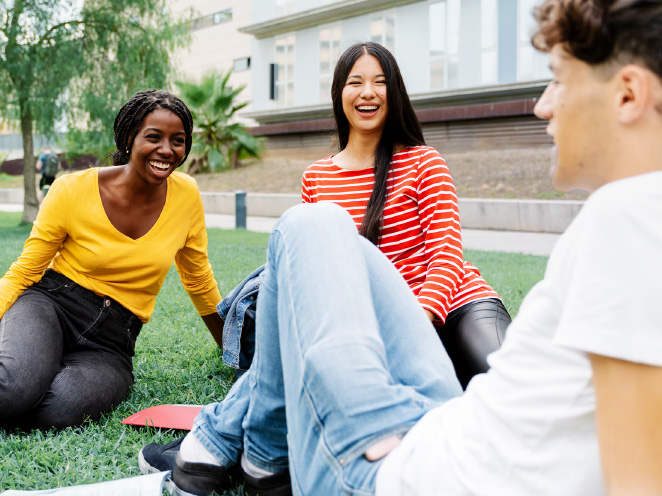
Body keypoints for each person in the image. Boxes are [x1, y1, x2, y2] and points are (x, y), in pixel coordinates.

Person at [140, 0, 662, 494]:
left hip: (399, 466)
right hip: (444, 419)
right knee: (320, 227)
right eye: (355, 82)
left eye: (557, 79)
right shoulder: (633, 216)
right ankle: (241, 446)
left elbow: (637, 476)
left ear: (628, 94)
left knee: (310, 226)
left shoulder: (626, 220)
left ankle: (230, 444)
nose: (542, 104)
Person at [0, 90, 224, 430]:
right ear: (129, 137)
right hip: (52, 306)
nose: (167, 149)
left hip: (112, 342)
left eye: (178, 140)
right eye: (154, 137)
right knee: (13, 391)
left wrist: (233, 350)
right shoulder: (71, 189)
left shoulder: (186, 195)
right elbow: (23, 272)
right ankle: (27, 362)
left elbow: (198, 279)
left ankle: (34, 363)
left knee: (58, 412)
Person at [301, 42, 510, 389]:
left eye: (380, 82)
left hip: (457, 307)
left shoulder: (424, 162)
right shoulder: (317, 178)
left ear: (394, 92)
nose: (368, 93)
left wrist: (418, 321)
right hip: (378, 325)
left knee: (512, 386)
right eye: (355, 82)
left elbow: (446, 254)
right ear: (339, 92)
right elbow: (323, 272)